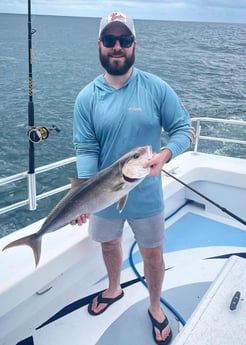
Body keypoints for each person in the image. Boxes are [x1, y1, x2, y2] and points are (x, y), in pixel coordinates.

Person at [73, 11, 194, 345]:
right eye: (110, 40)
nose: (117, 47)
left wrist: (165, 155)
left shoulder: (156, 88)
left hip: (147, 194)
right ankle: (114, 288)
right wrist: (84, 194)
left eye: (124, 40)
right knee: (109, 244)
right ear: (99, 45)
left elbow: (183, 130)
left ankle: (155, 306)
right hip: (103, 195)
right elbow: (86, 148)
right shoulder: (87, 97)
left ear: (133, 45)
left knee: (152, 254)